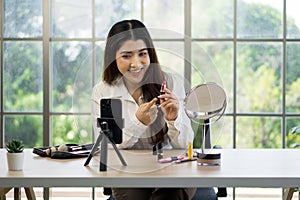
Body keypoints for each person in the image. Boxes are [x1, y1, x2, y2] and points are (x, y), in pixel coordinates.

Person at [91, 19, 196, 200]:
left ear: (151, 54)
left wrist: (173, 118)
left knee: (170, 195)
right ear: (112, 57)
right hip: (127, 171)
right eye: (126, 56)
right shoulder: (103, 91)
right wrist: (138, 123)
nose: (136, 63)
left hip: (171, 167)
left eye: (142, 54)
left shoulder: (170, 82)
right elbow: (109, 146)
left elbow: (185, 145)